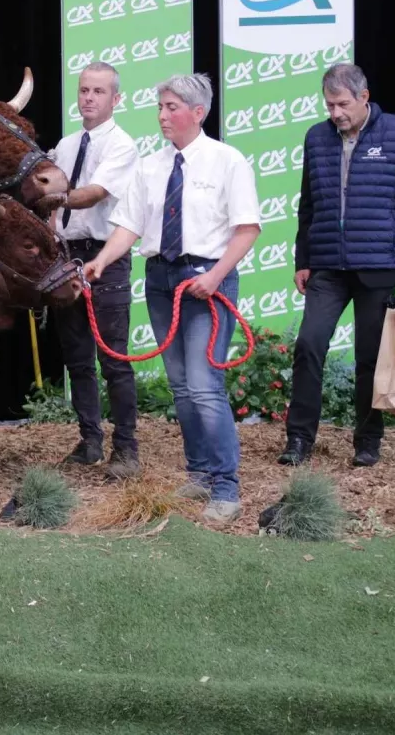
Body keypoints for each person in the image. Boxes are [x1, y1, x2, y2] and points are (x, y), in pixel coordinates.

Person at [83, 73, 261, 525]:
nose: (162, 115)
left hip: (207, 279)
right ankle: (199, 472)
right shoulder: (151, 166)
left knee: (204, 387)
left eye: (171, 107)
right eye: (160, 107)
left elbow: (246, 229)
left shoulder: (228, 161)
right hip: (162, 278)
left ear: (197, 113)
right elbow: (129, 225)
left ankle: (226, 486)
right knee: (182, 387)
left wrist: (217, 277)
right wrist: (101, 261)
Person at [279, 63, 395, 469]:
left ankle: (367, 440)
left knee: (369, 356)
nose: (335, 113)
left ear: (364, 97)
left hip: (379, 264)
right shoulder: (315, 137)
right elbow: (306, 204)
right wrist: (302, 259)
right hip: (326, 265)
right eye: (329, 105)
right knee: (309, 344)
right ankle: (299, 439)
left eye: (342, 104)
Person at [48, 62, 141, 479]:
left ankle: (126, 450)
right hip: (67, 254)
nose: (88, 97)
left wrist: (57, 198)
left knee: (114, 359)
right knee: (77, 359)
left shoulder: (122, 145)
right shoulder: (66, 145)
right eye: (84, 90)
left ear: (116, 99)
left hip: (108, 255)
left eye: (98, 92)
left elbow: (93, 194)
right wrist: (51, 230)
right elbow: (50, 201)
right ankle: (89, 442)